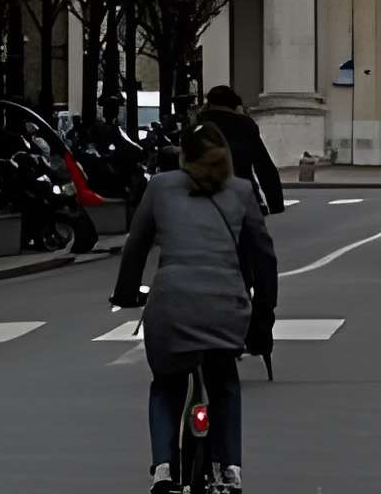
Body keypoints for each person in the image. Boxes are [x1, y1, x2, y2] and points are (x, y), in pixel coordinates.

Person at [112, 120, 276, 494]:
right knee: (225, 383)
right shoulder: (242, 191)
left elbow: (136, 246)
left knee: (166, 385)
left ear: (184, 156)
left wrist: (125, 294)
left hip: (172, 305)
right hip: (226, 307)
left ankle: (164, 471)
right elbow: (264, 259)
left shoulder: (161, 187)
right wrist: (263, 316)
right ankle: (230, 469)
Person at [199, 85, 285, 215]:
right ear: (235, 105)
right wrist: (276, 204)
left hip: (206, 194)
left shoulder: (199, 124)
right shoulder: (244, 124)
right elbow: (263, 165)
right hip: (242, 192)